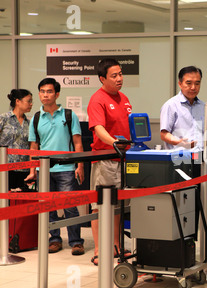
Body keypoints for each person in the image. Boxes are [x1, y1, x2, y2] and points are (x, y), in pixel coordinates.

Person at [27, 78, 85, 255]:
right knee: (49, 206)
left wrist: (80, 166)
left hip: (66, 168)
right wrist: (32, 170)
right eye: (42, 91)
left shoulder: (68, 115)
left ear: (57, 94)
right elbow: (34, 147)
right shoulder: (36, 118)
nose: (45, 95)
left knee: (69, 206)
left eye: (49, 91)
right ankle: (54, 240)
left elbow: (77, 143)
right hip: (44, 170)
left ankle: (76, 241)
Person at [87, 58, 132, 266]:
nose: (119, 79)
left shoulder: (124, 98)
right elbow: (98, 128)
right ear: (102, 78)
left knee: (118, 204)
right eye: (114, 76)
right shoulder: (97, 99)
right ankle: (98, 249)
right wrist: (115, 143)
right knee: (99, 206)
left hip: (123, 159)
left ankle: (115, 245)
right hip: (105, 159)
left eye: (121, 74)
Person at [160, 66, 204, 151]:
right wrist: (179, 142)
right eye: (189, 83)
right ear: (180, 84)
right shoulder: (171, 105)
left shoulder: (204, 107)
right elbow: (164, 134)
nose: (193, 87)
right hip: (179, 157)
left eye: (197, 83)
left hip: (200, 158)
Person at [0, 89, 33, 190]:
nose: (31, 104)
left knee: (21, 202)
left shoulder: (29, 122)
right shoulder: (4, 118)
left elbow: (32, 146)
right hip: (5, 168)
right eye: (29, 101)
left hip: (24, 169)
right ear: (18, 101)